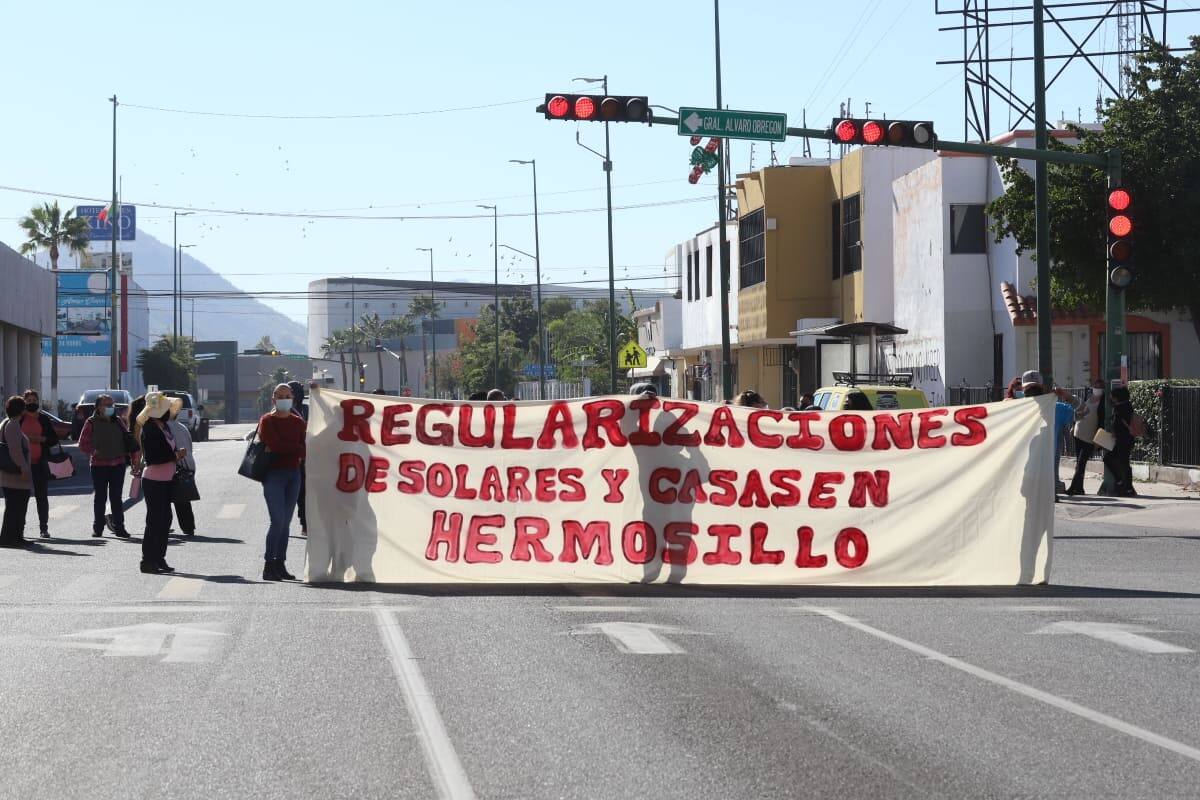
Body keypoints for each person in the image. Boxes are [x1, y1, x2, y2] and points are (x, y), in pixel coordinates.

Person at [258, 383, 306, 581]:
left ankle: (280, 563)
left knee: (286, 523)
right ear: (273, 399)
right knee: (277, 520)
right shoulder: (267, 420)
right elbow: (275, 444)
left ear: (292, 398)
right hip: (273, 475)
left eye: (287, 396)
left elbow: (304, 448)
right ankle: (269, 564)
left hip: (294, 474)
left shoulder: (298, 422)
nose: (284, 400)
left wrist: (291, 448)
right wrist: (295, 448)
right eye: (280, 396)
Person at [137, 392, 185, 574]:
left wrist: (176, 455)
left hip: (166, 479)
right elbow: (153, 457)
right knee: (155, 521)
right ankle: (147, 560)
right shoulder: (149, 429)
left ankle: (159, 558)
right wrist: (175, 456)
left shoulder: (164, 427)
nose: (169, 412)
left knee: (165, 520)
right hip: (154, 480)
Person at [78, 393, 135, 539]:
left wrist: (133, 460)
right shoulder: (91, 422)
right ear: (98, 407)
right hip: (99, 466)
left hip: (118, 465)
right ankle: (98, 528)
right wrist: (93, 451)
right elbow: (82, 443)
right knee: (100, 498)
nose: (111, 407)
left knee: (116, 498)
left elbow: (128, 439)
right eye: (107, 405)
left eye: (112, 405)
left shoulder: (118, 421)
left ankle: (119, 528)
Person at [1019, 370, 1080, 498]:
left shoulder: (1056, 408)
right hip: (1029, 468)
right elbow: (1084, 412)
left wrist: (1066, 395)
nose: (1032, 393)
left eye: (1034, 389)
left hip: (1039, 469)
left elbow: (1083, 412)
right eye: (1030, 389)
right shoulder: (1015, 407)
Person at [21, 389, 60, 539]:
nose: (32, 403)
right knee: (22, 497)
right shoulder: (20, 419)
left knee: (41, 496)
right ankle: (20, 528)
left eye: (34, 400)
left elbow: (53, 439)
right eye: (29, 400)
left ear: (38, 402)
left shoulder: (43, 419)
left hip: (40, 463)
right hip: (23, 465)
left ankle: (44, 528)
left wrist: (41, 439)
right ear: (24, 402)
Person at [108, 394, 147, 533]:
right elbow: (138, 447)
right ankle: (112, 514)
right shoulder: (140, 424)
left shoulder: (137, 422)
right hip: (144, 464)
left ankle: (159, 521)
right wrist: (137, 464)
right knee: (138, 496)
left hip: (143, 463)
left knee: (142, 496)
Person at [0, 396, 32, 548]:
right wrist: (23, 468)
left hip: (10, 475)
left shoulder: (7, 423)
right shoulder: (12, 425)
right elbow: (15, 450)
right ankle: (10, 538)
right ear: (21, 410)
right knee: (16, 507)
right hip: (15, 475)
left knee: (15, 507)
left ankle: (16, 537)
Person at [1066, 378, 1105, 496]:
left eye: (1100, 386)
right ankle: (1079, 488)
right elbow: (1081, 410)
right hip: (1078, 433)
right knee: (1079, 463)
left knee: (1081, 463)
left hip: (1089, 437)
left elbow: (1102, 422)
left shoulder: (1103, 401)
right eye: (1096, 385)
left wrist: (1098, 439)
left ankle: (1073, 487)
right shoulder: (1088, 396)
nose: (1097, 388)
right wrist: (1074, 425)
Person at [167, 403, 197, 537]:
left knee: (165, 498)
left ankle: (164, 525)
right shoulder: (182, 427)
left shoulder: (164, 428)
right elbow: (190, 447)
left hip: (176, 466)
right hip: (188, 465)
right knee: (183, 499)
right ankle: (188, 527)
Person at [1102, 385, 1136, 498]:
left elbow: (1117, 423)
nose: (1111, 398)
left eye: (1112, 396)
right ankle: (1124, 483)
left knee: (1122, 462)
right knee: (1120, 461)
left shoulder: (1120, 408)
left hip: (1123, 439)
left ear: (1117, 397)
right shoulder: (1127, 406)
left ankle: (1126, 486)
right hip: (1125, 439)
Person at [287, 380, 309, 536]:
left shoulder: (306, 410)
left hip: (303, 459)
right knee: (285, 494)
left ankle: (305, 523)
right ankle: (282, 523)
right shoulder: (281, 409)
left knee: (303, 494)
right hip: (283, 459)